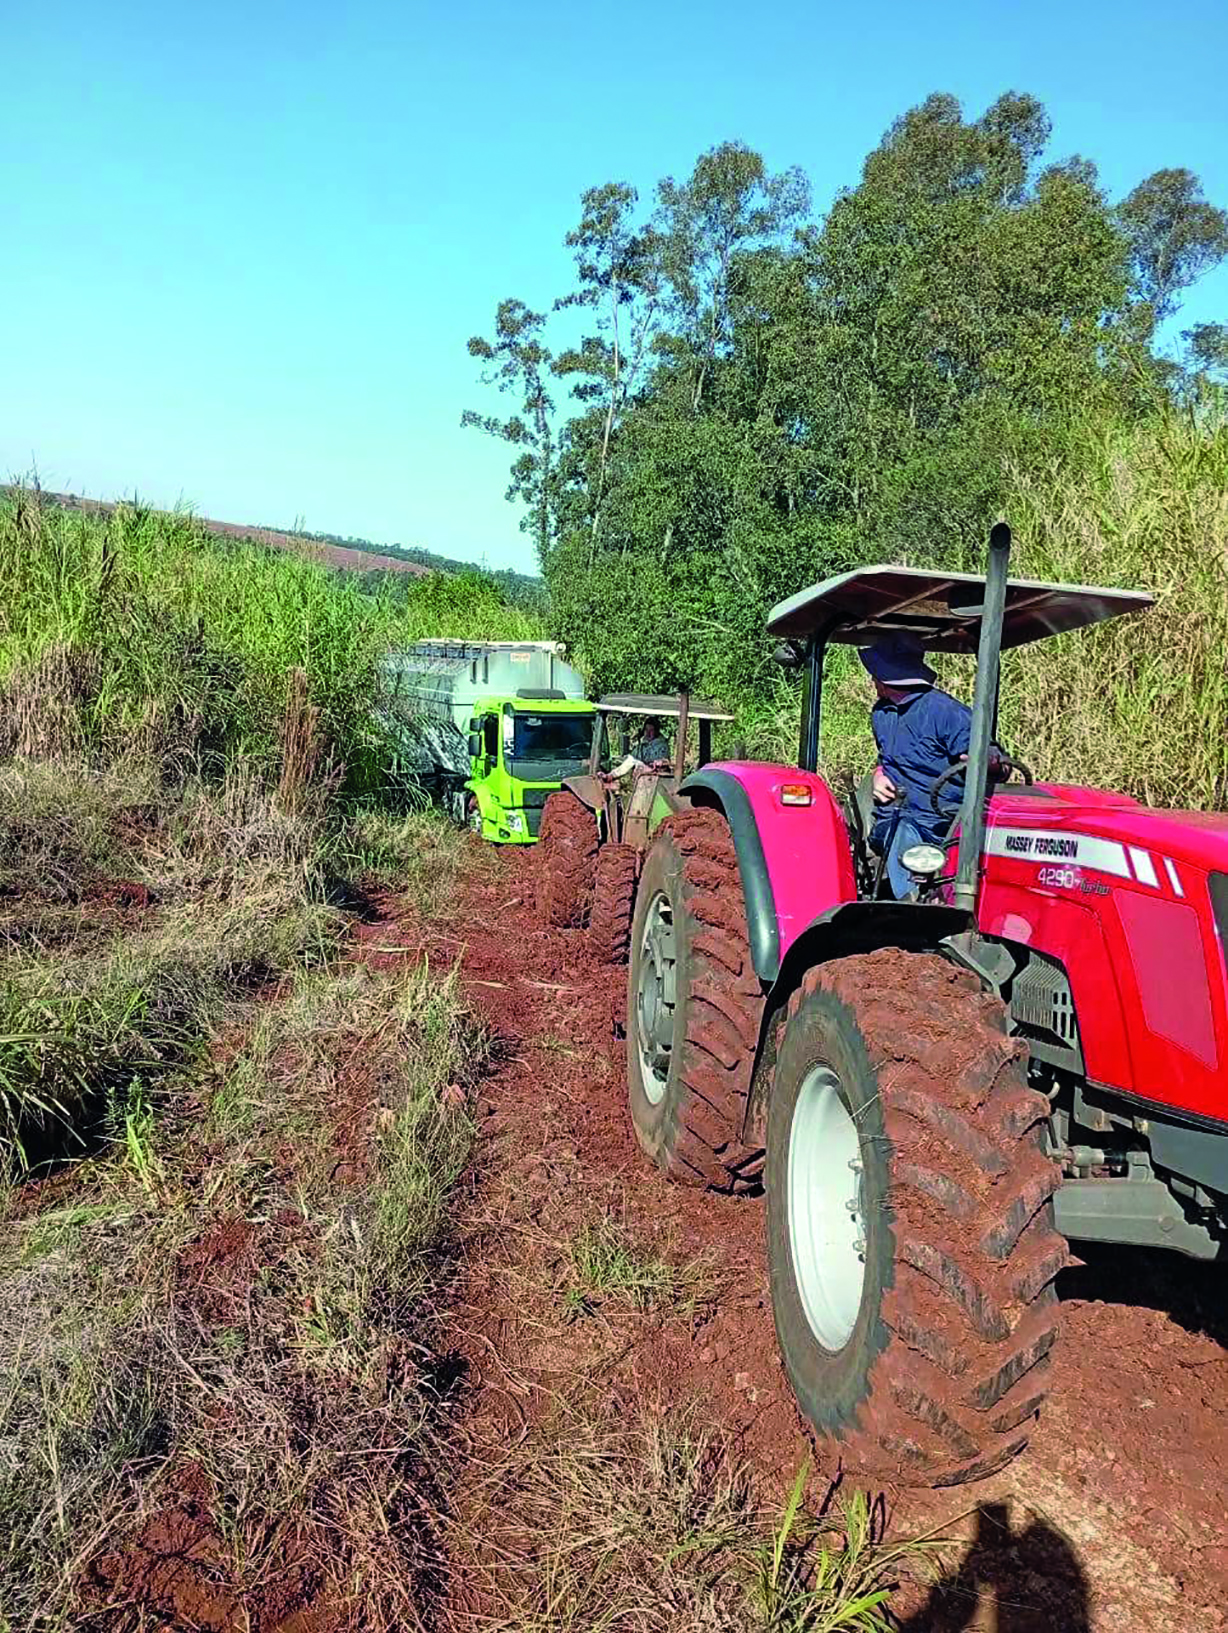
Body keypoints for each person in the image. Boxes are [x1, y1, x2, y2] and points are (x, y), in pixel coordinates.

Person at [859, 632, 992, 899]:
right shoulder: (881, 713)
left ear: (886, 676)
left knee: (910, 833)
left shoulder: (947, 713)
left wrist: (983, 760)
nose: (872, 679)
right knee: (901, 830)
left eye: (875, 673)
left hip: (942, 822)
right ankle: (910, 904)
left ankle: (922, 909)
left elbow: (993, 760)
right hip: (893, 819)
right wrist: (878, 774)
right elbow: (885, 758)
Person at [604, 715, 671, 782]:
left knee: (638, 764)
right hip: (643, 780)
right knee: (632, 760)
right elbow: (631, 760)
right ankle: (611, 775)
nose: (648, 733)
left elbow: (663, 763)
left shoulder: (662, 746)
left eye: (651, 730)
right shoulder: (642, 745)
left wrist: (656, 764)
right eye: (646, 730)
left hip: (657, 778)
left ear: (656, 732)